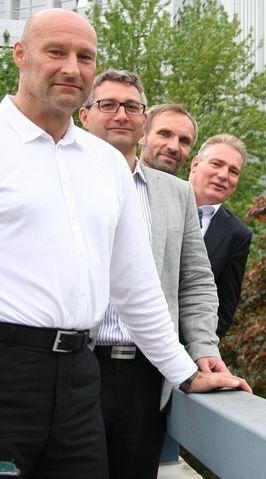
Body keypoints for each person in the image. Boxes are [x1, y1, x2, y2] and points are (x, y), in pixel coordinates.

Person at [0, 9, 250, 479]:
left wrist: (187, 371)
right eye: (56, 52)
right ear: (20, 55)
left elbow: (138, 288)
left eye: (84, 56)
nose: (72, 67)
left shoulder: (104, 165)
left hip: (78, 381)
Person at [79, 70, 229, 479]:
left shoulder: (176, 193)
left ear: (142, 120)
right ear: (83, 115)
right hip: (74, 366)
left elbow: (197, 282)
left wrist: (204, 349)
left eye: (131, 107)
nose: (121, 115)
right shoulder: (63, 181)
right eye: (108, 105)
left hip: (147, 376)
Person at [188, 135, 252, 338]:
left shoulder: (237, 234)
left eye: (234, 171)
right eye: (217, 164)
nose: (224, 175)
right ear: (195, 163)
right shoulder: (153, 198)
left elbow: (224, 310)